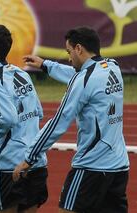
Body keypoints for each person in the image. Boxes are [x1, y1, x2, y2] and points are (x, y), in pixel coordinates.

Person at [13, 27, 129, 213]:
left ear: (79, 49)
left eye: (69, 52)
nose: (68, 57)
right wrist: (46, 65)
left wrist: (30, 157)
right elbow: (80, 76)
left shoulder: (84, 80)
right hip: (119, 167)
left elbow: (59, 122)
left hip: (92, 167)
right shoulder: (112, 67)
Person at [0, 24, 48, 213]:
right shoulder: (21, 73)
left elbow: (6, 119)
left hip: (8, 164)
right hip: (35, 162)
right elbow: (38, 111)